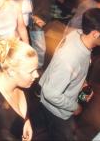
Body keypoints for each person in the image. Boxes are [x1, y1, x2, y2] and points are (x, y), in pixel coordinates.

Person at [39, 8, 100, 140]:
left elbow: (75, 70)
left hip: (60, 98)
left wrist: (82, 83)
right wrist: (75, 107)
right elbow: (50, 93)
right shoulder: (70, 58)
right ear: (95, 34)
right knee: (63, 136)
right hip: (56, 111)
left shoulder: (78, 34)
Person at [30, 0, 66, 68]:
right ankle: (36, 71)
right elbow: (26, 3)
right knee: (40, 50)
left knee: (56, 47)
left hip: (50, 19)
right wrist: (34, 18)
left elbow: (62, 0)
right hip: (36, 20)